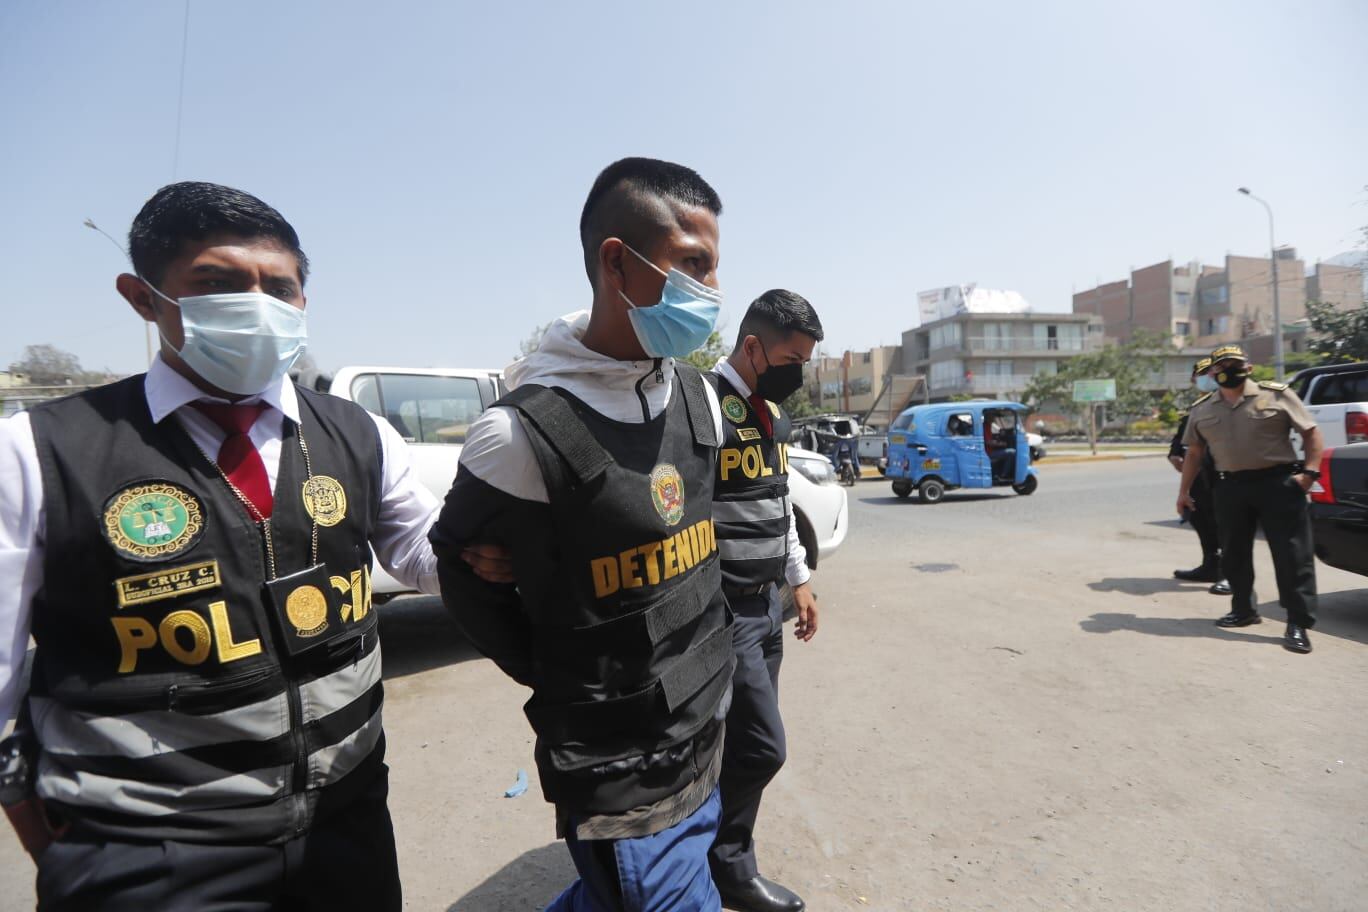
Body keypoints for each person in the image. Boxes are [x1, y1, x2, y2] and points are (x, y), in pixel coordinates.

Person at [0, 182, 443, 909]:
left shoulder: (357, 433)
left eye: (282, 288)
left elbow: (425, 557)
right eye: (217, 284)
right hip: (151, 851)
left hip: (347, 819)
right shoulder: (39, 454)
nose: (258, 306)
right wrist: (28, 803)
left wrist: (506, 547)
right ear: (144, 298)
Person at [430, 157, 733, 911]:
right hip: (619, 761)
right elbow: (464, 582)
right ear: (616, 261)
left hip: (706, 721)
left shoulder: (701, 396)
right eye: (692, 265)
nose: (712, 292)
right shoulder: (517, 434)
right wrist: (565, 674)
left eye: (715, 268)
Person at [705, 290, 822, 912]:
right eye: (790, 358)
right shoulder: (704, 406)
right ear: (752, 347)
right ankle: (725, 863)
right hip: (724, 609)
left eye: (805, 360)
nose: (797, 373)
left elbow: (777, 503)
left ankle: (721, 855)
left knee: (740, 740)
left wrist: (798, 579)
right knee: (761, 746)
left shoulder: (771, 414)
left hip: (766, 603)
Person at [1176, 344, 1323, 653]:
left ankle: (1298, 622)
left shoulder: (1277, 395)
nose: (1230, 369)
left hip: (1278, 483)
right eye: (1223, 365)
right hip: (1230, 487)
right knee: (1233, 552)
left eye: (1236, 363)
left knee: (1292, 555)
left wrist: (1309, 473)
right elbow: (1195, 452)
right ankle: (1243, 610)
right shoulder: (1202, 408)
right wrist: (1184, 491)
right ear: (1212, 372)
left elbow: (1310, 431)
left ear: (1249, 367)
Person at [1169, 358, 1230, 595]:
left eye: (1209, 372)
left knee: (1227, 524)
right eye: (1200, 374)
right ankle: (1210, 566)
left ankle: (1230, 572)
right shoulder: (1197, 407)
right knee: (1199, 518)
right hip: (1198, 477)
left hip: (1223, 475)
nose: (1206, 378)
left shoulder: (1231, 404)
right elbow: (1181, 439)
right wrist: (1173, 455)